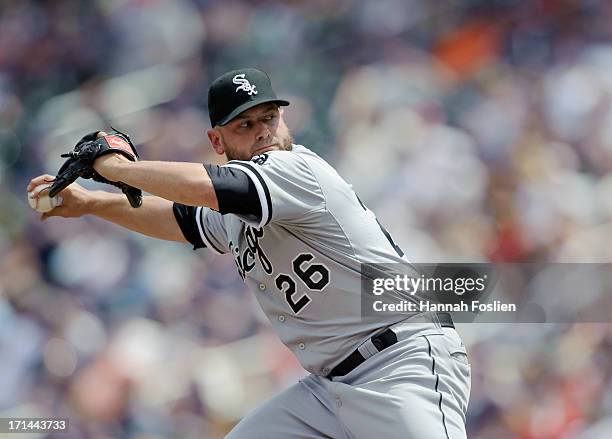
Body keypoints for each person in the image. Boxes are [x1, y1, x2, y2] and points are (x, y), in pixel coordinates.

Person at [29, 68, 471, 438]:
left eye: (270, 118)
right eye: (245, 125)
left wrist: (117, 168)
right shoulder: (239, 210)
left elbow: (205, 187)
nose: (263, 131)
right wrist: (90, 203)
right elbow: (180, 219)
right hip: (329, 388)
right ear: (217, 141)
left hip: (401, 363)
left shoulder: (296, 168)